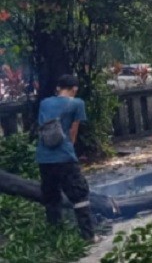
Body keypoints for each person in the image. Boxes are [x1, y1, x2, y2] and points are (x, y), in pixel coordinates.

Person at [35, 74, 96, 242]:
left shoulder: (44, 103)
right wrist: (70, 148)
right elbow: (73, 131)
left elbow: (42, 126)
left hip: (44, 158)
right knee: (79, 195)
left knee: (51, 197)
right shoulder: (77, 103)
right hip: (64, 157)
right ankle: (89, 235)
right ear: (74, 89)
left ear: (58, 88)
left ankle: (56, 236)